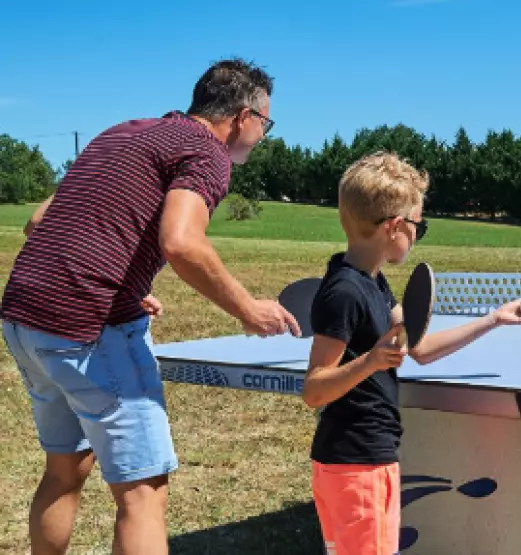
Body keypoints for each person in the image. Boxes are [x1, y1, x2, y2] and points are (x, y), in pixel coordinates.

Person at [0, 58, 301, 555]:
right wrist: (249, 308)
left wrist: (121, 278)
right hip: (89, 328)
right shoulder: (207, 152)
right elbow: (181, 243)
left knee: (65, 470)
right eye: (265, 125)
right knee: (143, 492)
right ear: (244, 117)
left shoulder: (125, 133)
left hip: (24, 317)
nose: (262, 137)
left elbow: (39, 223)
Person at [301, 152, 521, 555]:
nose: (417, 235)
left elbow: (421, 348)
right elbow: (314, 389)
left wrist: (494, 319)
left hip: (366, 459)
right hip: (356, 463)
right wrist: (371, 361)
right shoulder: (345, 291)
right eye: (419, 225)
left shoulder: (372, 282)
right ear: (395, 226)